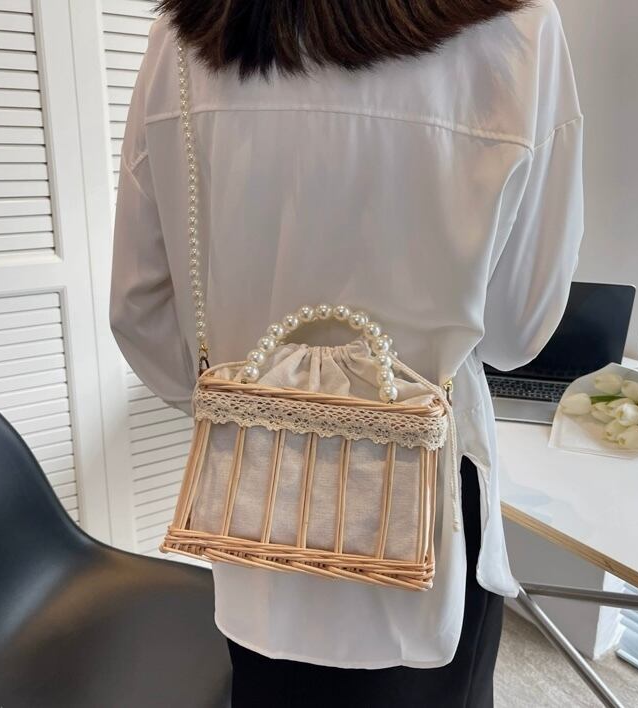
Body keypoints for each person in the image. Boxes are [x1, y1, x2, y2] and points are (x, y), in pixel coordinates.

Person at [109, 0, 583, 705]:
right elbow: (520, 334)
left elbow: (139, 312)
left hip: (261, 503)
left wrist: (262, 405)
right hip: (428, 512)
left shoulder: (185, 37)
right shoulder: (522, 29)